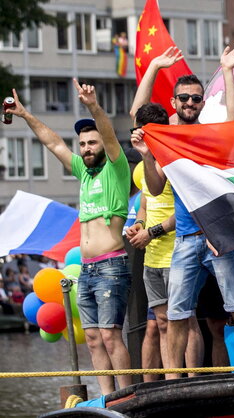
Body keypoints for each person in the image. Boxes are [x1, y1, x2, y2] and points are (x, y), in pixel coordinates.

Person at [130, 40, 234, 370]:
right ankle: (173, 382)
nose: (190, 103)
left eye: (196, 98)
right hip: (186, 238)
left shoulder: (208, 134)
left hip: (219, 236)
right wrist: (147, 156)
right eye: (184, 98)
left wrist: (228, 70)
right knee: (177, 314)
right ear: (173, 102)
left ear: (202, 102)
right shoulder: (167, 137)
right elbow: (156, 185)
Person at [6, 81, 132, 394]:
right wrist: (24, 114)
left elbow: (109, 133)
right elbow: (53, 144)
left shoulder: (116, 169)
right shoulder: (82, 171)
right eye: (83, 144)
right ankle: (107, 397)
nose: (87, 148)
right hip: (87, 269)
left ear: (103, 144)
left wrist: (93, 106)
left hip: (111, 266)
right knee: (92, 338)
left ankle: (126, 396)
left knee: (110, 335)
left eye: (92, 142)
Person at [125, 102, 199, 380]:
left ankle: (191, 382)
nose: (141, 139)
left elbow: (188, 211)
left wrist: (152, 232)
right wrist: (139, 225)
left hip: (178, 252)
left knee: (187, 321)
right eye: (139, 133)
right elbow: (146, 203)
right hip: (152, 256)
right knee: (164, 323)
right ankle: (172, 382)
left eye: (147, 133)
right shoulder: (146, 161)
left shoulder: (174, 157)